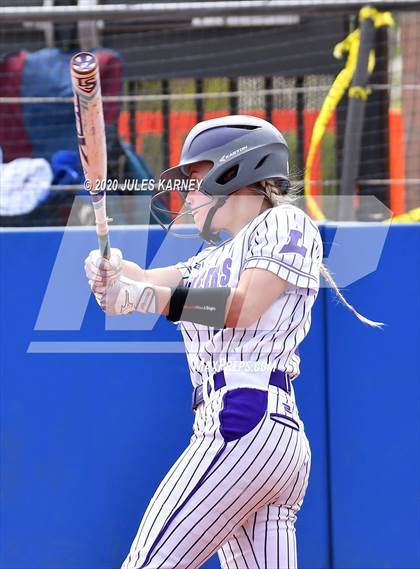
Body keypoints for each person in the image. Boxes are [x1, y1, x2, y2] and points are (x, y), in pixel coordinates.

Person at [85, 115, 382, 569]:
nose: (187, 194)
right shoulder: (212, 256)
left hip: (244, 419)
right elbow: (146, 280)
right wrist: (111, 270)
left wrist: (143, 296)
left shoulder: (284, 222)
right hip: (257, 434)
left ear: (234, 171)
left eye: (197, 179)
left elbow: (240, 307)